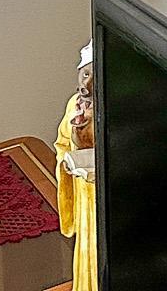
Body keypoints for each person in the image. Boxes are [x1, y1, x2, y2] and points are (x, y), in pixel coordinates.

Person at [54, 43, 97, 291]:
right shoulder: (74, 106)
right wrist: (75, 138)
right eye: (85, 74)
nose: (87, 84)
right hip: (85, 201)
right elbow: (62, 145)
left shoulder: (115, 111)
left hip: (105, 206)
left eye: (94, 75)